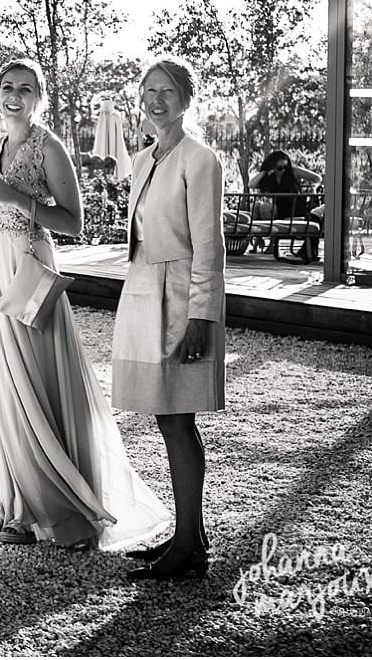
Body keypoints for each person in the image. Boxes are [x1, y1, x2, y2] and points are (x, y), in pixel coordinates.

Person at [0, 57, 169, 551]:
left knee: (38, 383)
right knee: (5, 389)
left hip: (29, 272)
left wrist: (17, 196)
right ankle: (18, 505)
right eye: (8, 86)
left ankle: (57, 506)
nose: (15, 95)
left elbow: (74, 222)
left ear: (39, 97)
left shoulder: (48, 146)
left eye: (26, 89)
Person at [112, 57, 225, 581]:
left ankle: (186, 547)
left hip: (180, 298)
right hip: (144, 293)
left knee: (178, 418)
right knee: (164, 414)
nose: (156, 99)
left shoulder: (200, 159)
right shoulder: (142, 159)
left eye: (167, 90)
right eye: (148, 90)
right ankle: (189, 535)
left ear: (185, 98)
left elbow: (209, 244)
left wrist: (200, 316)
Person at [92, 94, 132, 180]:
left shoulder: (116, 116)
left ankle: (116, 173)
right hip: (105, 145)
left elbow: (118, 133)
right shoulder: (102, 116)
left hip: (115, 144)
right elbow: (100, 135)